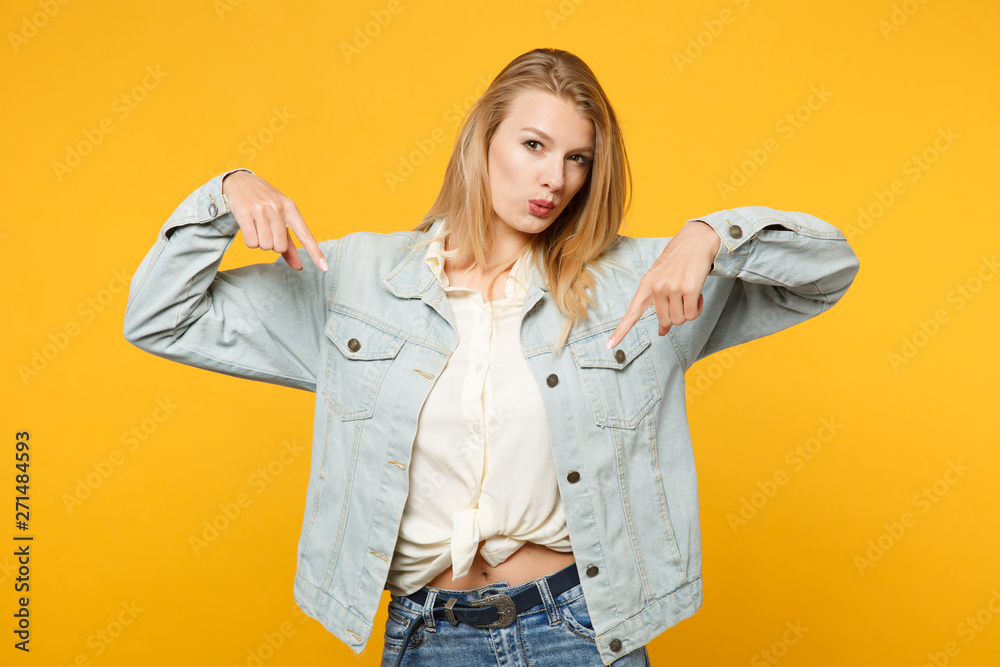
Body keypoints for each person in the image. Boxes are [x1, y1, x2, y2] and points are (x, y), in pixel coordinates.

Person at [123, 48, 860, 666]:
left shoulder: (634, 285)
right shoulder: (357, 283)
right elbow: (159, 317)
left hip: (578, 631)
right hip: (428, 635)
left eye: (576, 158)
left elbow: (828, 270)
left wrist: (712, 234)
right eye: (533, 145)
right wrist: (228, 192)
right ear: (483, 140)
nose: (555, 179)